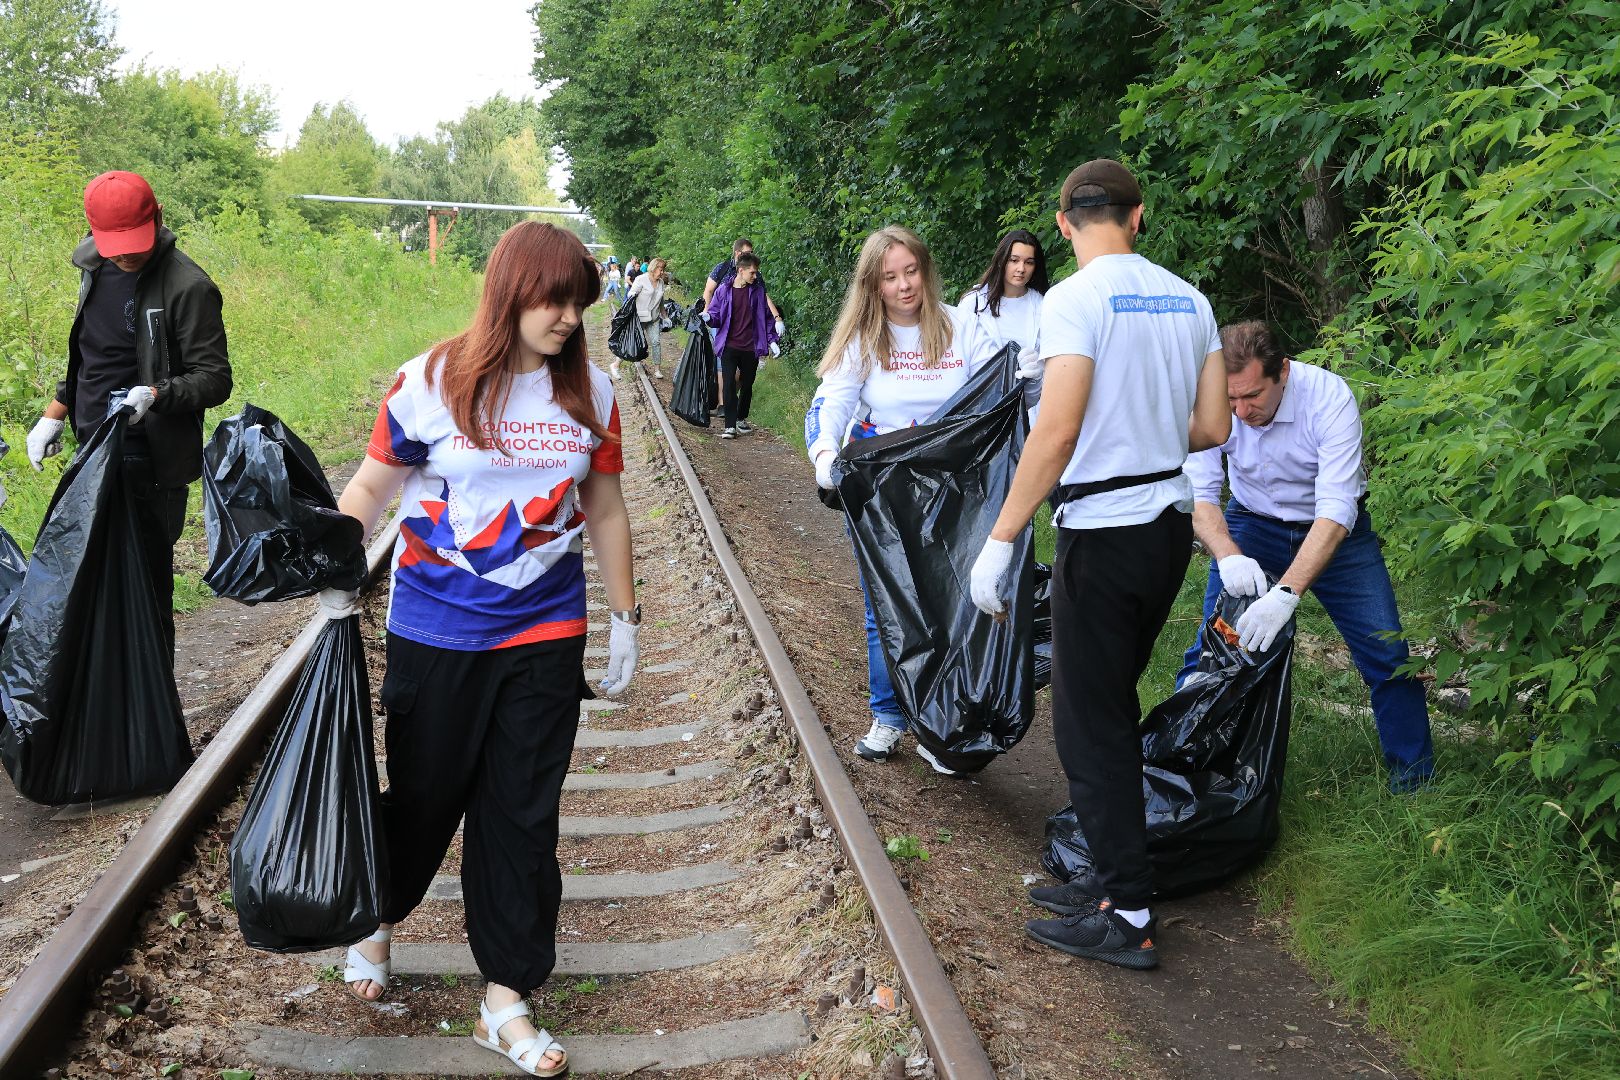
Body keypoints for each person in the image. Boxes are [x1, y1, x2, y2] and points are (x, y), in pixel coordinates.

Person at [323, 222, 639, 1078]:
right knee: (424, 798)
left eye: (579, 302)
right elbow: (372, 485)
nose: (569, 317)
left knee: (522, 814)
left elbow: (605, 508)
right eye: (554, 299)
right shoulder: (428, 381)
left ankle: (505, 997)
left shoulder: (593, 392)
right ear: (509, 293)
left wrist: (626, 617)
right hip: (436, 630)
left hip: (545, 633)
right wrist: (335, 565)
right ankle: (377, 916)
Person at [968, 160, 1230, 970]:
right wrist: (1145, 427)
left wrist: (1001, 539)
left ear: (1063, 223)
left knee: (1088, 724)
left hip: (1104, 529)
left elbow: (1057, 431)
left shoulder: (1075, 301)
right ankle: (1114, 883)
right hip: (1167, 530)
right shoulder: (1190, 300)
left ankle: (1129, 914)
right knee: (1110, 706)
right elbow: (1215, 425)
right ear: (1138, 215)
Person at [1179, 320, 1435, 791]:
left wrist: (1286, 593)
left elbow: (1336, 510)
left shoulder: (1328, 397)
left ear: (1283, 371)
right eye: (1231, 400)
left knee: (1387, 655)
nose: (1240, 411)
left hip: (1337, 536)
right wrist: (1229, 555)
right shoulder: (1212, 396)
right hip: (1252, 524)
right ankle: (1183, 770)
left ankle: (1415, 782)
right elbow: (1198, 491)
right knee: (1215, 648)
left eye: (1252, 396)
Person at [805, 225, 998, 774]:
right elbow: (832, 402)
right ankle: (889, 714)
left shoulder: (963, 327)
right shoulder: (864, 339)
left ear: (925, 270)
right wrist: (825, 457)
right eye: (890, 277)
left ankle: (942, 724)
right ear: (874, 285)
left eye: (911, 271)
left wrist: (1032, 375)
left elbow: (998, 388)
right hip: (882, 494)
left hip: (954, 494)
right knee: (886, 605)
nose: (904, 285)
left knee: (951, 605)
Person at [26, 170, 232, 657]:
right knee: (90, 584)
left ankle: (151, 699)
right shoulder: (93, 266)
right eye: (114, 246)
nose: (125, 256)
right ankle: (102, 695)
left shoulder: (188, 286)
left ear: (158, 217)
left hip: (151, 462)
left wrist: (156, 395)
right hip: (93, 449)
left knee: (145, 593)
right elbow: (92, 353)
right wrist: (55, 413)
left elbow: (215, 378)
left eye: (134, 244)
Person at [705, 252, 777, 438]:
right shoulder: (723, 290)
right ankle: (729, 425)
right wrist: (708, 318)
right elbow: (715, 315)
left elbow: (767, 318)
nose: (755, 276)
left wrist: (772, 340)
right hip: (729, 345)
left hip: (751, 347)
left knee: (747, 384)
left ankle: (740, 418)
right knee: (729, 383)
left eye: (756, 272)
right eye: (752, 272)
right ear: (740, 271)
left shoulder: (758, 292)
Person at [958, 228, 1049, 362]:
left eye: (1029, 262)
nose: (1021, 269)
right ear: (1001, 260)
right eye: (1014, 260)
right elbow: (958, 353)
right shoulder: (973, 303)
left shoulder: (1044, 305)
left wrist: (1038, 369)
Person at [621, 256, 668, 380]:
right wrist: (633, 294)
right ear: (654, 268)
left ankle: (657, 369)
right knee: (633, 340)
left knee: (656, 342)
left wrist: (665, 317)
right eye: (661, 269)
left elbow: (661, 301)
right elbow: (631, 294)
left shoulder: (661, 282)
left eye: (663, 270)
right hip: (640, 317)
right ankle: (616, 363)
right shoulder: (641, 279)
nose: (662, 272)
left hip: (654, 318)